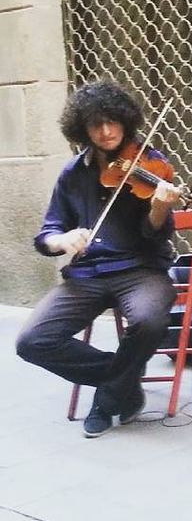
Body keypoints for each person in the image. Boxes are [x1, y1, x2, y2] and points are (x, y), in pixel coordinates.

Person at [16, 82, 181, 437]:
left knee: (150, 320)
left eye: (112, 122)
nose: (106, 132)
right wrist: (63, 240)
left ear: (125, 121)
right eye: (95, 124)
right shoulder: (72, 174)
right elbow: (46, 235)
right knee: (30, 341)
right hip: (86, 275)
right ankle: (122, 379)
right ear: (82, 129)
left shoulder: (152, 165)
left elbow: (158, 234)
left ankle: (107, 399)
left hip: (141, 271)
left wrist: (158, 208)